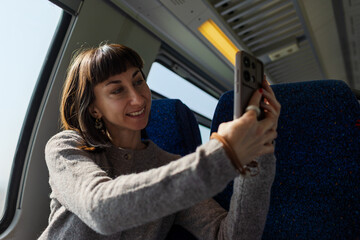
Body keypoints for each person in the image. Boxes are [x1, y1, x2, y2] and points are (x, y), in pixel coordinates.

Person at [38, 43, 280, 240]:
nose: (137, 98)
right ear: (94, 109)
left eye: (138, 81)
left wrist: (258, 149)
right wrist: (225, 153)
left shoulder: (169, 166)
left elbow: (232, 236)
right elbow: (100, 210)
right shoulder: (68, 147)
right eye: (117, 90)